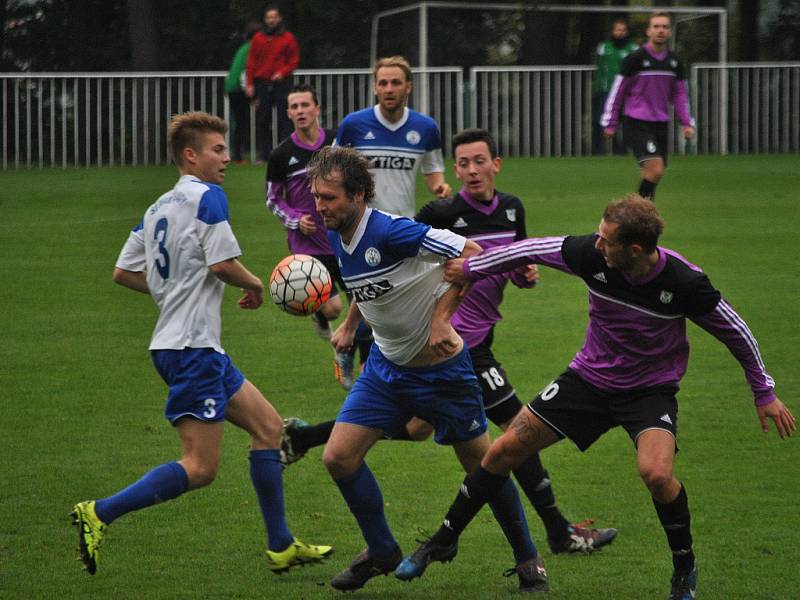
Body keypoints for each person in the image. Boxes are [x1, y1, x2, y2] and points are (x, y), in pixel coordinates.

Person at [397, 195, 796, 600]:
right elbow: (529, 249)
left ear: (635, 250)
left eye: (607, 241)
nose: (597, 244)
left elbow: (736, 331)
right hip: (587, 382)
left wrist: (764, 392)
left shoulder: (683, 282)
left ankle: (684, 569)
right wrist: (472, 267)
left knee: (656, 474)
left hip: (648, 392)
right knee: (503, 451)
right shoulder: (590, 254)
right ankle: (442, 541)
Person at [281, 128, 617, 555]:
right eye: (463, 162)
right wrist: (359, 324)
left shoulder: (512, 210)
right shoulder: (437, 213)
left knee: (418, 429)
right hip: (459, 346)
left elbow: (501, 264)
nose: (472, 169)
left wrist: (521, 276)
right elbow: (382, 275)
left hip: (471, 341)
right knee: (518, 435)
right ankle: (557, 532)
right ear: (452, 168)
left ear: (497, 163)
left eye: (480, 160)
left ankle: (308, 439)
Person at [70, 111, 332, 576]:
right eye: (217, 149)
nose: (226, 158)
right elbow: (222, 265)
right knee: (200, 467)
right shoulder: (209, 197)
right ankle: (99, 512)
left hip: (185, 346)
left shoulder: (157, 208)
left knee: (269, 428)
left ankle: (281, 546)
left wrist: (173, 291)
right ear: (190, 155)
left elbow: (123, 271)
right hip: (192, 350)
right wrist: (258, 285)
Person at [308, 145, 548, 593]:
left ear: (358, 195)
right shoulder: (338, 232)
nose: (320, 207)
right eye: (317, 197)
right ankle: (381, 551)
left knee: (485, 469)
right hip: (385, 369)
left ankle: (527, 557)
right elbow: (373, 286)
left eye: (329, 198)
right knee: (338, 458)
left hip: (443, 373)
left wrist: (441, 319)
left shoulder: (396, 231)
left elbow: (473, 254)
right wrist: (348, 325)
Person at [333, 55, 452, 386]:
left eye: (395, 82)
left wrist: (440, 187)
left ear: (408, 87)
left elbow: (432, 171)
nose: (388, 88)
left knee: (387, 303)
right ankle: (357, 348)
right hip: (360, 227)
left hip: (402, 228)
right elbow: (331, 171)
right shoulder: (353, 126)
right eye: (382, 83)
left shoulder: (425, 128)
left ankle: (351, 342)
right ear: (374, 87)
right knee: (378, 298)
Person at [265, 83, 344, 346]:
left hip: (343, 235)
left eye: (305, 105)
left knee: (366, 307)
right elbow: (273, 199)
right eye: (294, 106)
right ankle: (322, 319)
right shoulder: (281, 155)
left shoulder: (337, 143)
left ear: (316, 109)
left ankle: (356, 355)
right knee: (333, 308)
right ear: (288, 113)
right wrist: (296, 220)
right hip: (308, 243)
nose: (300, 111)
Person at [601, 12, 696, 201]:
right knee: (656, 169)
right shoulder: (635, 59)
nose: (660, 30)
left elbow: (680, 95)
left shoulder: (674, 63)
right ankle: (638, 212)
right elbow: (618, 91)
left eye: (664, 27)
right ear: (648, 31)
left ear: (669, 32)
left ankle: (638, 218)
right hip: (636, 123)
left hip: (661, 123)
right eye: (656, 26)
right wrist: (609, 122)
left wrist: (686, 122)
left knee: (650, 173)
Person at [245, 6, 299, 162]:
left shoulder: (288, 38)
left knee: (286, 118)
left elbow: (294, 60)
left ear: (279, 18)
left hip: (282, 83)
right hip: (262, 83)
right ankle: (264, 155)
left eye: (274, 17)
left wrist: (282, 72)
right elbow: (251, 62)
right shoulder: (258, 39)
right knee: (263, 120)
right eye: (269, 17)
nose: (271, 20)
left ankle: (286, 153)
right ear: (265, 20)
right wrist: (250, 84)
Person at [592, 19, 637, 155]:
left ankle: (622, 150)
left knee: (627, 122)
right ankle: (597, 152)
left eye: (623, 30)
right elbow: (600, 69)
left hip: (626, 92)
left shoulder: (633, 48)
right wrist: (597, 88)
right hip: (606, 91)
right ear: (612, 31)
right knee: (600, 120)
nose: (620, 33)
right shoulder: (604, 47)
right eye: (618, 30)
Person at [225, 22, 260, 164]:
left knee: (238, 122)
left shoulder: (244, 48)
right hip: (239, 88)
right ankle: (237, 156)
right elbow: (246, 71)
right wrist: (252, 94)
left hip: (232, 87)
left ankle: (237, 154)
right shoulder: (252, 48)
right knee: (241, 123)